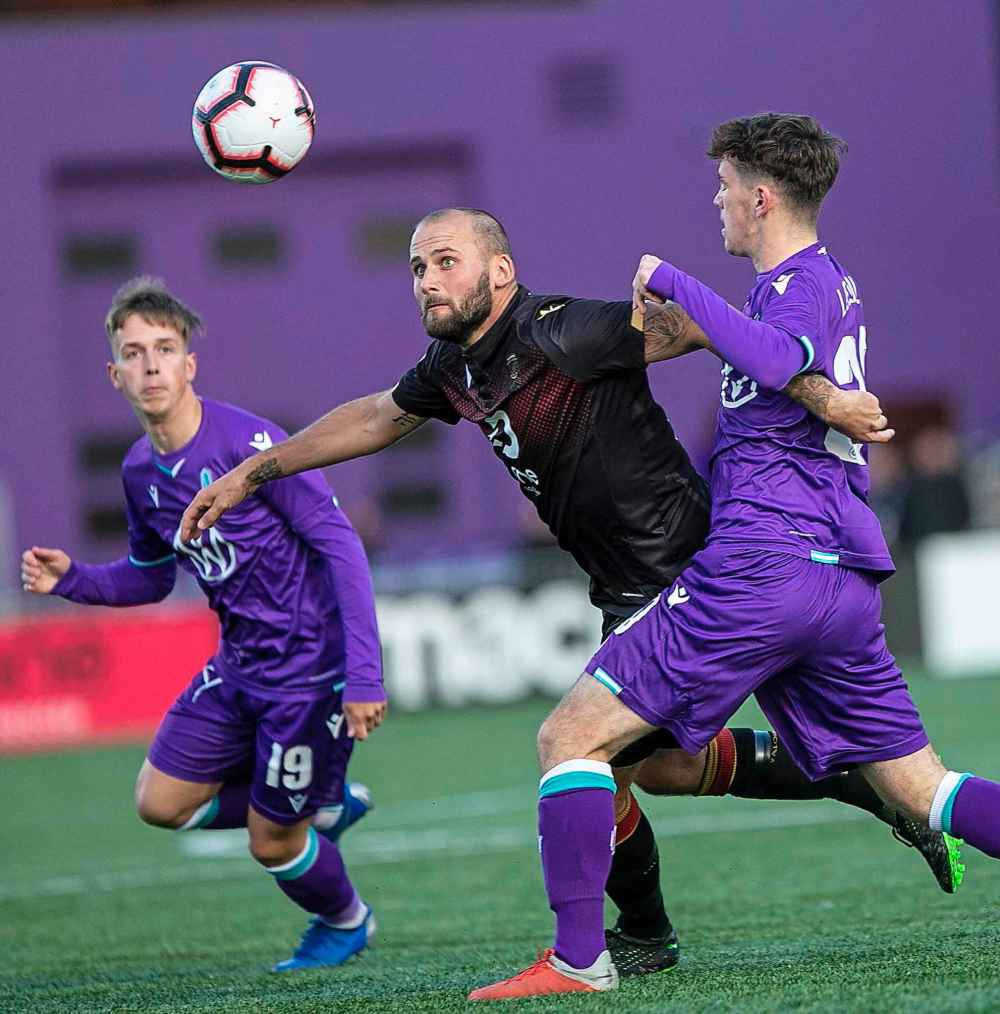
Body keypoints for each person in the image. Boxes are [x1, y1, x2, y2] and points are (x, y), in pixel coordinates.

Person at [177, 207, 954, 980]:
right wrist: (255, 470)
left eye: (446, 261)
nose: (427, 281)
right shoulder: (456, 368)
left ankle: (634, 937)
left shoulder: (563, 331)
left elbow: (698, 329)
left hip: (681, 565)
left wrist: (822, 397)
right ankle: (876, 795)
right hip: (623, 583)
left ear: (500, 271)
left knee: (587, 751)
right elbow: (377, 416)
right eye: (417, 268)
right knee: (658, 769)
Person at [467, 112, 1000, 1000]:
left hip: (763, 568)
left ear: (760, 197)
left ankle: (577, 961)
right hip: (838, 581)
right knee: (922, 789)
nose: (715, 200)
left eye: (722, 186)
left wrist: (674, 279)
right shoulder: (822, 285)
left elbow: (776, 352)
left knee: (569, 737)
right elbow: (796, 370)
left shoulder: (795, 287)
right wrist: (818, 391)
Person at [20, 278, 386, 973]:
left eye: (165, 348)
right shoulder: (138, 472)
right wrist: (71, 579)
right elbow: (152, 575)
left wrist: (363, 674)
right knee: (159, 802)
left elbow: (341, 546)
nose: (151, 364)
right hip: (240, 665)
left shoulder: (251, 446)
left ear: (190, 364)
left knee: (271, 842)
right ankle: (319, 799)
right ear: (115, 374)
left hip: (311, 673)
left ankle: (346, 919)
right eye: (134, 352)